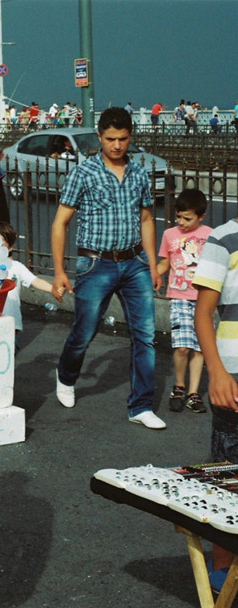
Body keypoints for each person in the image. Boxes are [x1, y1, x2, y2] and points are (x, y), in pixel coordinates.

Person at [51, 107, 165, 429]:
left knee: (145, 336)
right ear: (99, 137)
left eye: (123, 139)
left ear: (131, 137)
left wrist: (153, 264)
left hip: (134, 264)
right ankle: (67, 374)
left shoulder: (139, 174)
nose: (117, 145)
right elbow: (60, 223)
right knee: (84, 332)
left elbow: (146, 220)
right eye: (111, 139)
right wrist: (59, 271)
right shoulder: (83, 173)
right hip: (95, 264)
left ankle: (141, 406)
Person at [192, 215, 238, 594]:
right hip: (234, 381)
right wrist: (217, 372)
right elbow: (202, 314)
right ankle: (222, 573)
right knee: (229, 480)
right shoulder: (223, 239)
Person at [157, 189, 212, 413]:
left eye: (187, 218)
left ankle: (193, 393)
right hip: (179, 297)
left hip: (203, 300)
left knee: (199, 349)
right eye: (178, 216)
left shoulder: (210, 235)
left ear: (201, 216)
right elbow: (164, 263)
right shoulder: (170, 235)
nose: (181, 222)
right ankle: (179, 387)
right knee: (181, 347)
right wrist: (154, 274)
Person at [0, 221, 53, 348]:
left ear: (10, 247)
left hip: (11, 322)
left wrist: (53, 289)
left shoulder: (16, 267)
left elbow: (36, 281)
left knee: (4, 355)